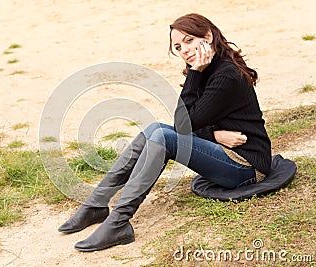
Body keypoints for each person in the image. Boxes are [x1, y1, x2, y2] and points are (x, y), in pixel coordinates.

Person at [58, 13, 271, 252]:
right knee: (154, 130)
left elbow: (183, 125)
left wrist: (194, 74)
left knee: (163, 136)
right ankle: (96, 204)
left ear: (208, 35)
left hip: (246, 166)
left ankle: (118, 222)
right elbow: (189, 123)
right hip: (222, 152)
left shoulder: (225, 75)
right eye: (178, 47)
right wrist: (214, 135)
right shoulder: (207, 69)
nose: (185, 50)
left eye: (189, 40)